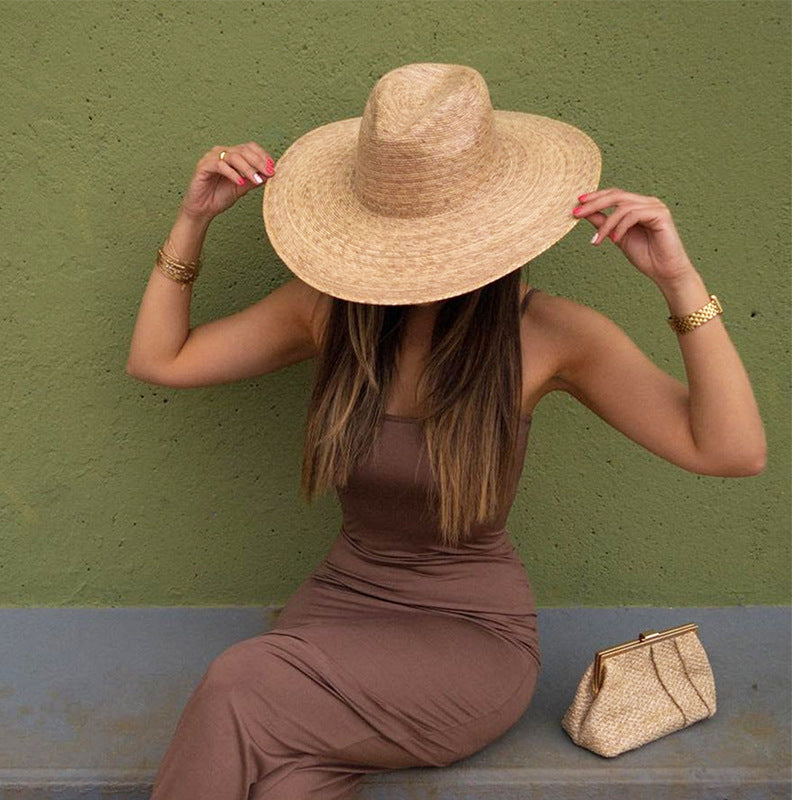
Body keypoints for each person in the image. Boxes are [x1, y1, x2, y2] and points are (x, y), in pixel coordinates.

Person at [125, 63, 766, 800]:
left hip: (470, 642)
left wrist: (679, 282)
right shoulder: (332, 311)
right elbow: (160, 359)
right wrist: (194, 219)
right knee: (287, 783)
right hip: (338, 607)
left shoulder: (551, 336)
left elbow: (732, 450)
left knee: (240, 680)